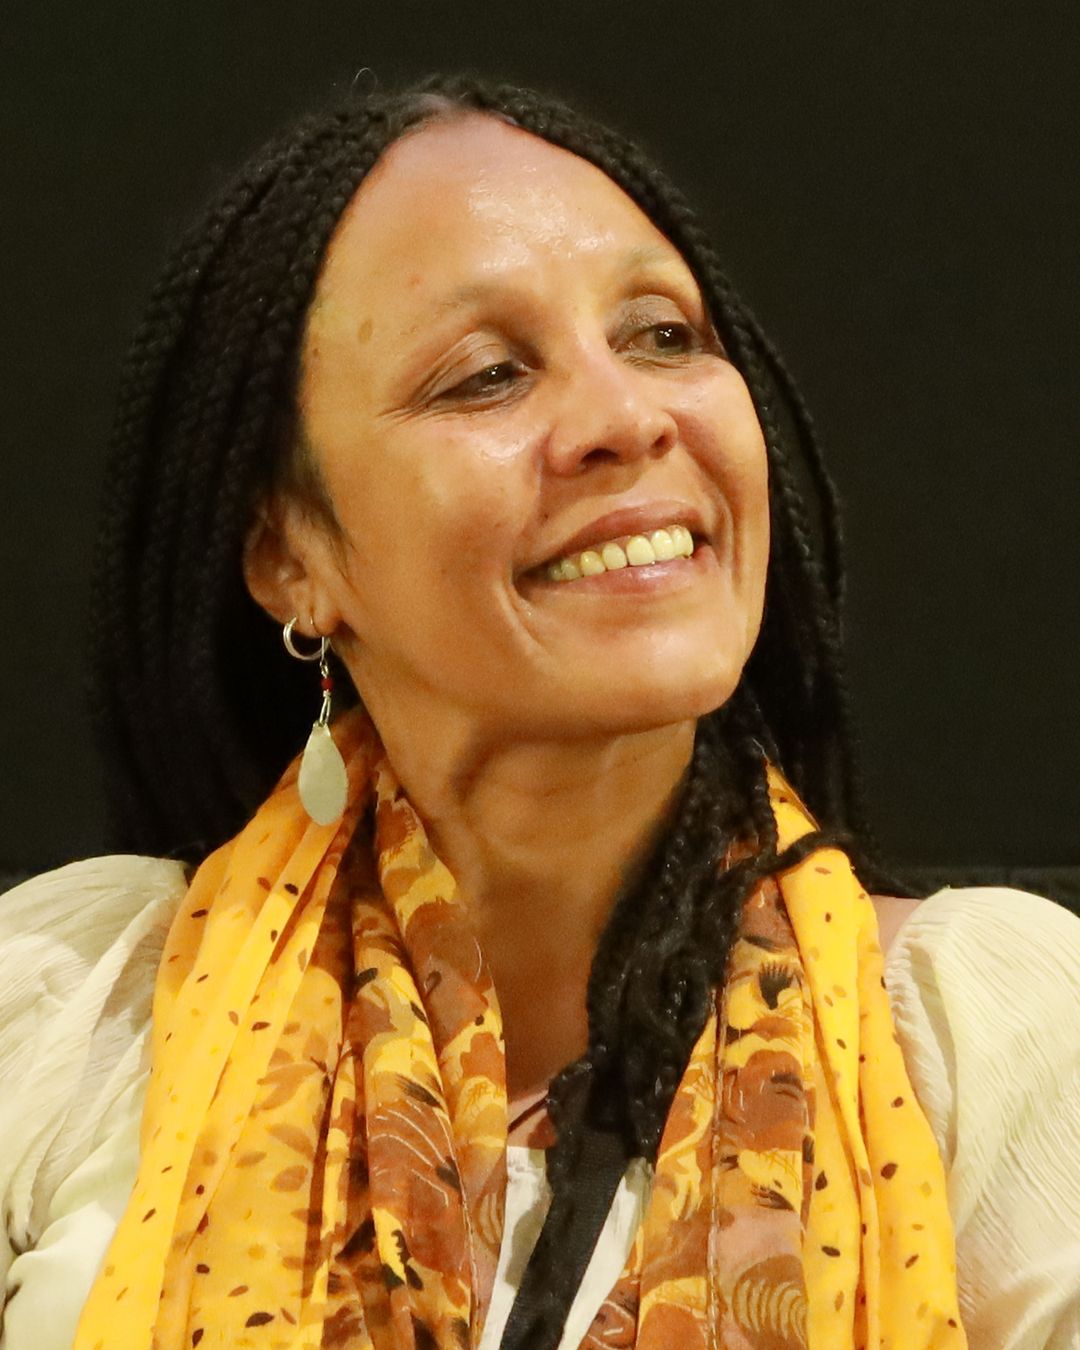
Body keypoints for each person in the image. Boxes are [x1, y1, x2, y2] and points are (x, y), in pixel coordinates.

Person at [0, 76, 1077, 1350]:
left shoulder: (990, 1039)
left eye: (663, 335)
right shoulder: (74, 1010)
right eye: (485, 376)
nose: (627, 416)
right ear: (293, 557)